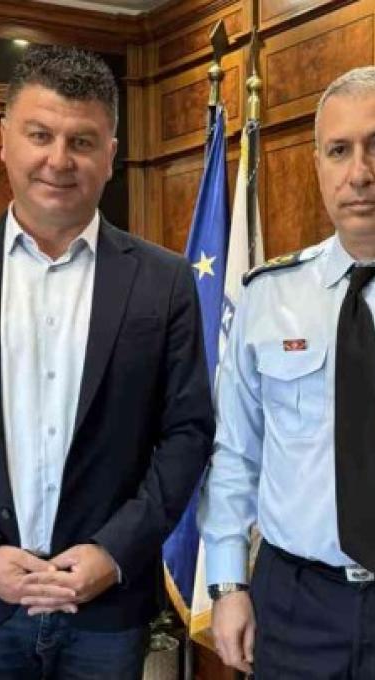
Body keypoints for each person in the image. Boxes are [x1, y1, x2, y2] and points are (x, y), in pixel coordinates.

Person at [0, 44, 213, 680]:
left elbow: (188, 433)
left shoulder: (164, 281)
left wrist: (113, 552)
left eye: (81, 141)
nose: (59, 160)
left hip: (104, 607)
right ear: (4, 140)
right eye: (40, 135)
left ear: (110, 155)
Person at [198, 65, 375, 679]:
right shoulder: (268, 295)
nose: (360, 173)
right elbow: (235, 451)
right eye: (339, 150)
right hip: (297, 603)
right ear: (318, 164)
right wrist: (227, 585)